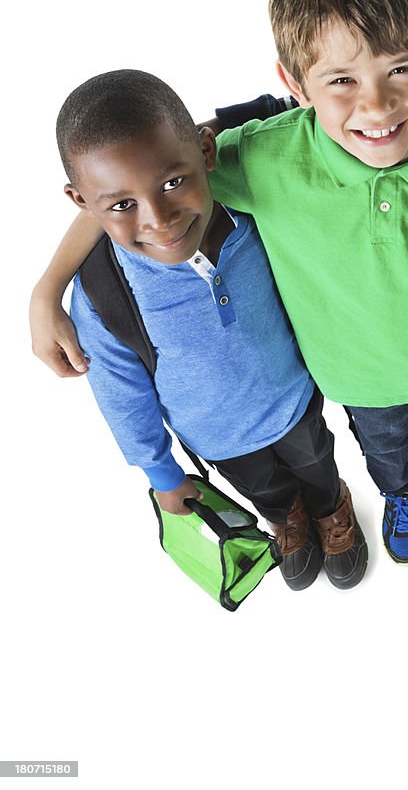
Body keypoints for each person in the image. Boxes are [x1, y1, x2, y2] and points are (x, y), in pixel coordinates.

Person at [36, 0, 408, 566]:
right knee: (386, 452)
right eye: (341, 79)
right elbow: (139, 180)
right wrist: (47, 289)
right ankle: (400, 494)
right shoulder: (264, 159)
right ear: (294, 83)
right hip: (356, 376)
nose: (376, 106)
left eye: (400, 69)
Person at [57, 69, 367, 592]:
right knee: (265, 489)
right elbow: (120, 393)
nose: (159, 219)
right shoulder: (100, 292)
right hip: (216, 438)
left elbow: (295, 116)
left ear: (207, 151)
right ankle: (288, 520)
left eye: (173, 182)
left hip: (293, 400)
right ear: (81, 204)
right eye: (122, 205)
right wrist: (161, 474)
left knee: (317, 461)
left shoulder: (257, 213)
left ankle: (330, 508)